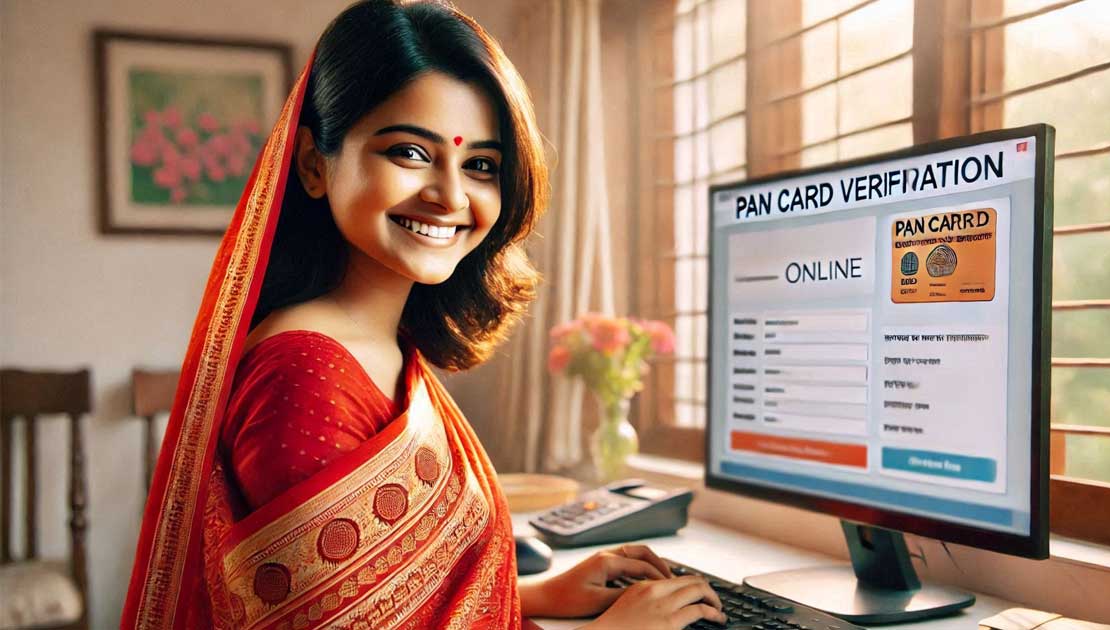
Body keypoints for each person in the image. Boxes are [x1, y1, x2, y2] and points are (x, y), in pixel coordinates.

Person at [121, 2, 726, 629]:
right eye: (410, 152)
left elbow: (389, 600)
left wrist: (533, 597)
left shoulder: (378, 345)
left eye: (480, 165)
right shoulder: (305, 374)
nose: (451, 196)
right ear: (313, 164)